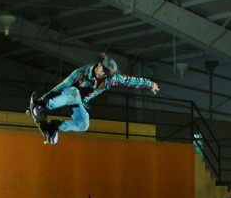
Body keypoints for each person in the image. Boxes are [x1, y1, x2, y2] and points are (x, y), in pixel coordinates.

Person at [31, 51, 160, 144]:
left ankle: (56, 126)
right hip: (68, 94)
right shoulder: (81, 73)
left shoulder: (112, 79)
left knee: (83, 125)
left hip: (78, 104)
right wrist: (42, 100)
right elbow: (61, 86)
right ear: (99, 64)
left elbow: (130, 81)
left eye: (107, 73)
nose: (103, 74)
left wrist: (150, 84)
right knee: (74, 93)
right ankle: (43, 106)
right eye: (103, 70)